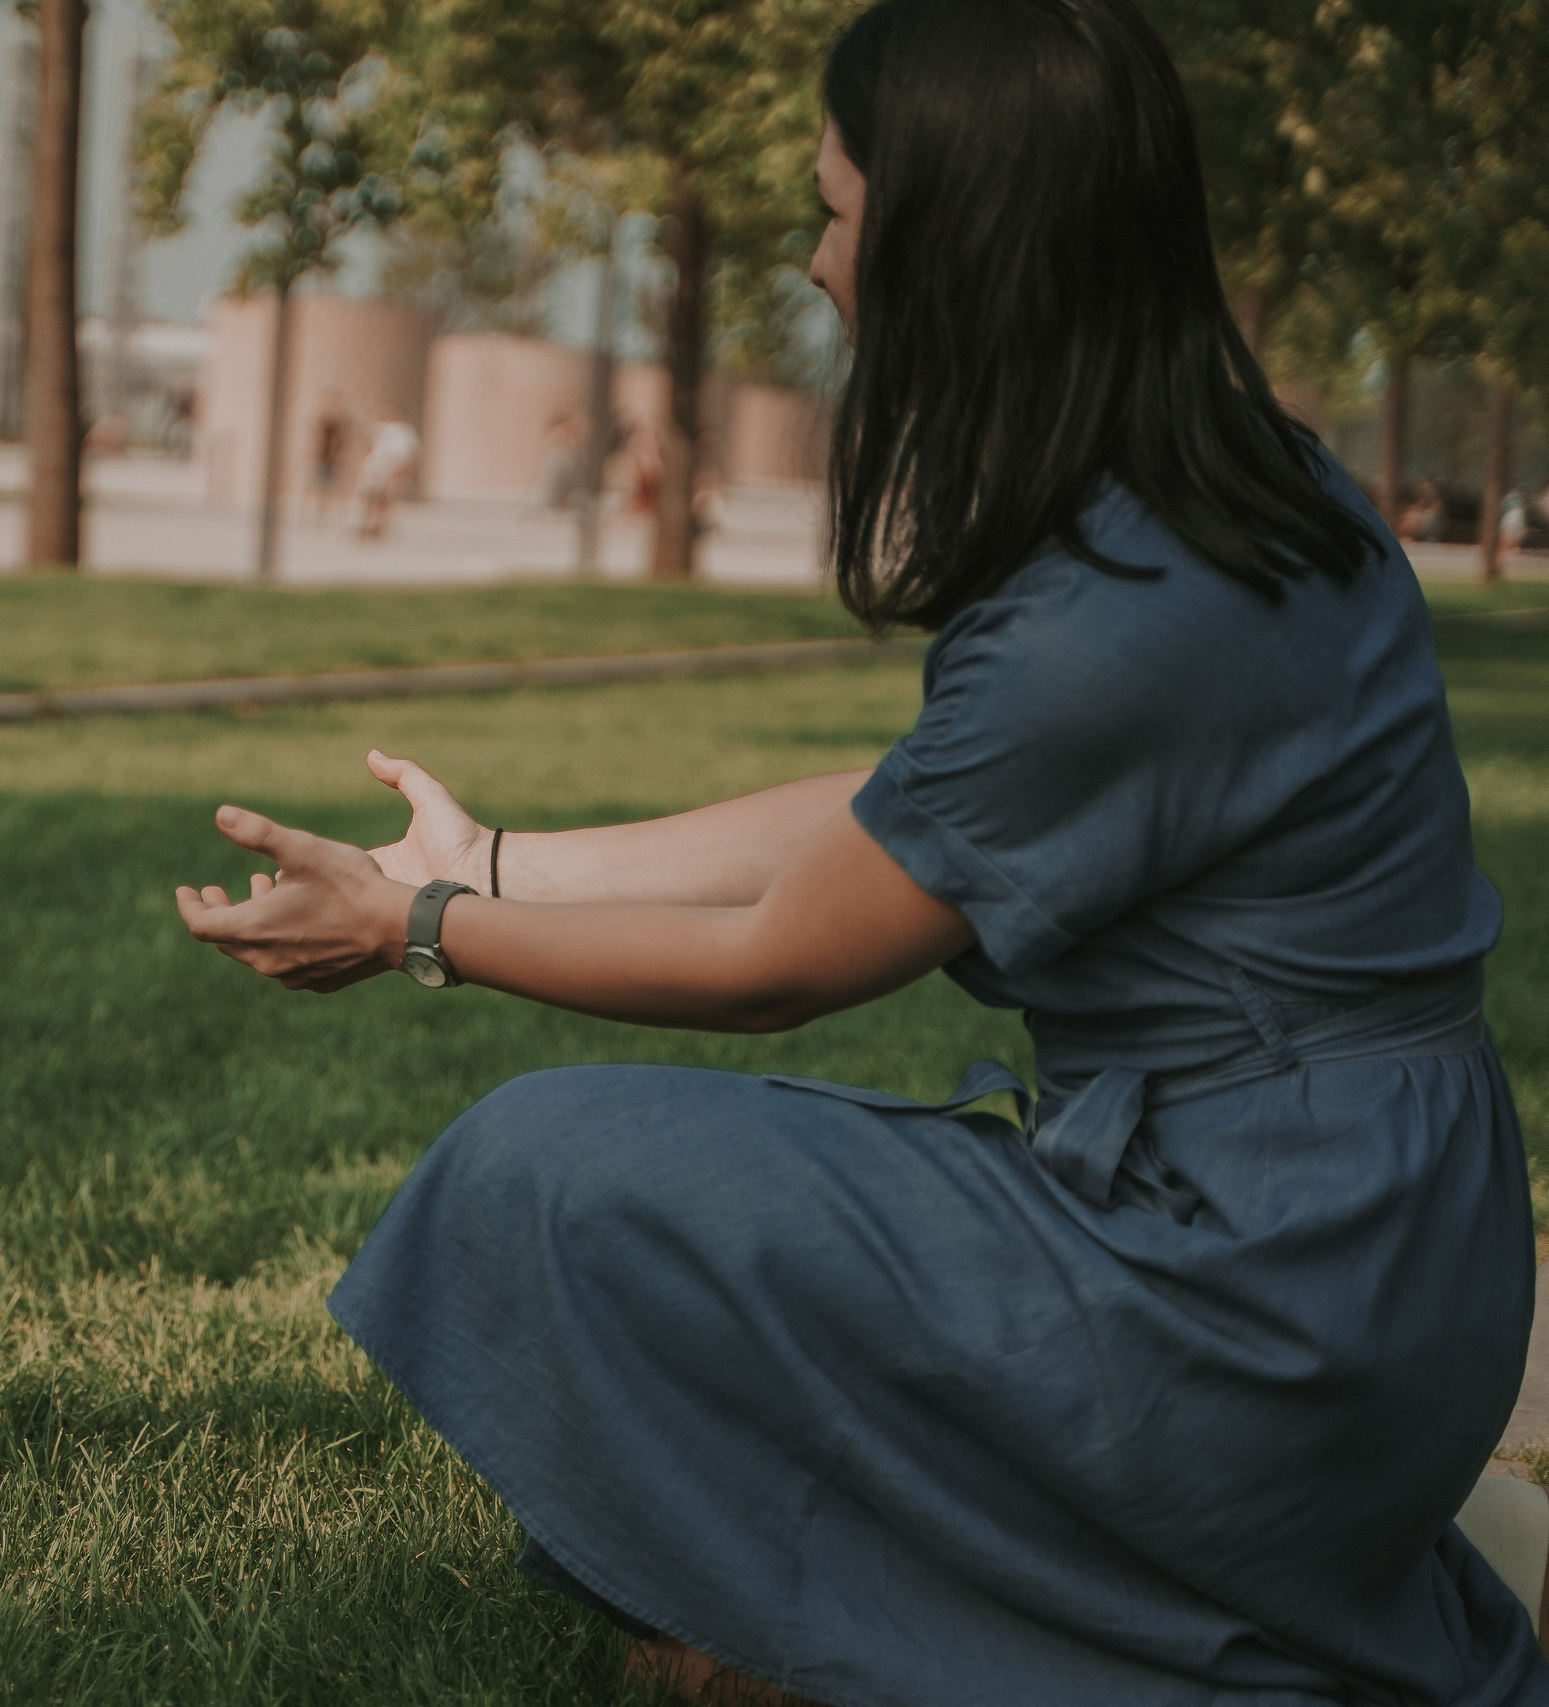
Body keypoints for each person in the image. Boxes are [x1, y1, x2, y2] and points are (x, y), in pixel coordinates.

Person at [174, 0, 1544, 1701]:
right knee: (695, 1188)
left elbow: (782, 964)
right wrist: (502, 859)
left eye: (834, 211)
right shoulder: (1252, 500)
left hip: (1274, 1311)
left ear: (955, 238)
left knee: (553, 1174)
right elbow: (901, 810)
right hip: (1373, 1254)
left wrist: (417, 926)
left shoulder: (1127, 612)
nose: (816, 264)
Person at [355, 413, 420, 540]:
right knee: (373, 498)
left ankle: (377, 525)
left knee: (381, 500)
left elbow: (406, 457)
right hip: (377, 470)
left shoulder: (401, 433)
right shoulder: (386, 431)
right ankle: (373, 524)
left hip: (387, 471)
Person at [310, 393, 354, 527]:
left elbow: (343, 441)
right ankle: (319, 518)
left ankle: (341, 517)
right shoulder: (324, 422)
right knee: (321, 490)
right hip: (323, 460)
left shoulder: (338, 425)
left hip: (332, 461)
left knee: (335, 489)